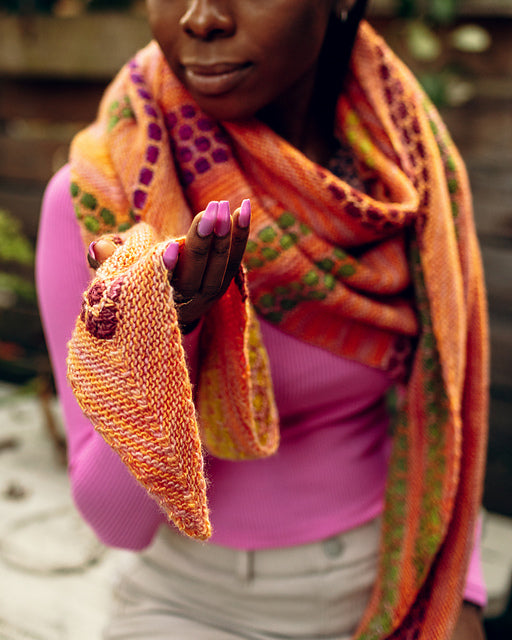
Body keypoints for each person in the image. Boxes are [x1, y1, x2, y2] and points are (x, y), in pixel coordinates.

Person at [36, 0, 489, 638]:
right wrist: (170, 340)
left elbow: (449, 403)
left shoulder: (408, 176)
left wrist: (459, 591)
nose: (200, 18)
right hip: (189, 605)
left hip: (390, 582)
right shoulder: (98, 202)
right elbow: (117, 524)